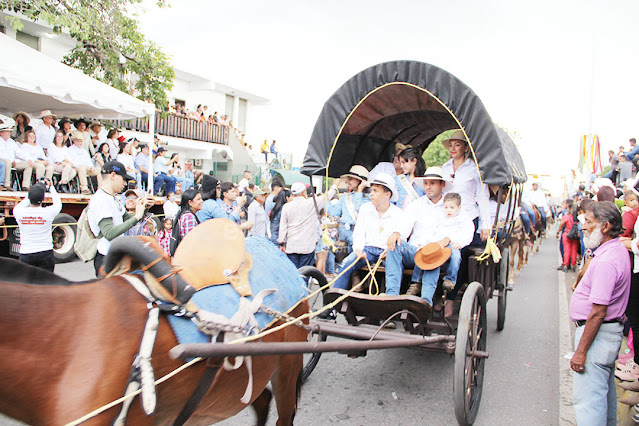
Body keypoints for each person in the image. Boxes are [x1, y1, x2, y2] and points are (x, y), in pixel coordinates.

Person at [569, 201, 629, 425]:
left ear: (605, 227)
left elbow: (597, 312)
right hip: (606, 334)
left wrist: (581, 351)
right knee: (601, 399)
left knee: (589, 404)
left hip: (598, 335)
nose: (583, 227)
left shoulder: (606, 261)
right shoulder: (614, 250)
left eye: (589, 223)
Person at [385, 167, 450, 307]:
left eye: (432, 183)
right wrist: (397, 233)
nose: (428, 187)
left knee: (432, 255)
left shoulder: (450, 206)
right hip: (414, 251)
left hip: (436, 253)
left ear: (442, 185)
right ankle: (391, 297)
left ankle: (425, 303)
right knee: (394, 244)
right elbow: (404, 225)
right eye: (426, 183)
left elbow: (457, 228)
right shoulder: (417, 204)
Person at [333, 173, 409, 291]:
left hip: (387, 253)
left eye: (375, 191)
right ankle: (335, 301)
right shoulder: (365, 208)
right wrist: (358, 249)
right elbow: (358, 232)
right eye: (371, 190)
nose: (371, 194)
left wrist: (389, 252)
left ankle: (391, 300)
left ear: (387, 194)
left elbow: (401, 237)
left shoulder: (398, 214)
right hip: (367, 250)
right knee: (345, 264)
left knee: (394, 271)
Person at [87, 161, 150, 275]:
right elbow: (109, 233)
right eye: (123, 179)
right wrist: (137, 216)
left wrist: (144, 208)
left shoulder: (111, 198)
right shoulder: (101, 199)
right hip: (107, 259)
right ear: (113, 175)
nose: (125, 184)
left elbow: (126, 218)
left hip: (115, 256)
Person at [440, 129, 491, 245]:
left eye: (457, 145)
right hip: (447, 217)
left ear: (466, 148)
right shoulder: (445, 168)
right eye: (451, 145)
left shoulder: (474, 169)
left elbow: (483, 197)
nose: (453, 148)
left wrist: (486, 225)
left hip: (469, 216)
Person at [433, 192, 475, 317]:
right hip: (441, 245)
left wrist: (460, 243)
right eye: (446, 207)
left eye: (451, 208)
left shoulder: (463, 218)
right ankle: (432, 293)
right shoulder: (441, 218)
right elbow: (436, 231)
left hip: (454, 245)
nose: (448, 210)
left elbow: (468, 233)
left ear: (459, 208)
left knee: (456, 258)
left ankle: (450, 281)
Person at [12, 179, 61, 271]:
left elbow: (25, 201)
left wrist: (35, 189)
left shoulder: (18, 211)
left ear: (29, 197)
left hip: (26, 252)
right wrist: (51, 187)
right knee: (46, 283)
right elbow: (58, 204)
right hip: (45, 252)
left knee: (27, 284)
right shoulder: (48, 212)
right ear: (42, 199)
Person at [326, 165, 370, 252]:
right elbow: (334, 212)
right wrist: (326, 199)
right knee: (355, 241)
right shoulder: (345, 197)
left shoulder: (369, 198)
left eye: (350, 179)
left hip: (362, 230)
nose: (347, 181)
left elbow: (359, 209)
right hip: (345, 229)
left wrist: (360, 191)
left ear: (359, 181)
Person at [278, 181, 320, 268]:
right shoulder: (311, 203)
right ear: (304, 191)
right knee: (305, 272)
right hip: (307, 247)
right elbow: (326, 197)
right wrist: (335, 186)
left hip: (292, 246)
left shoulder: (286, 206)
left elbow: (283, 226)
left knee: (293, 272)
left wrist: (281, 242)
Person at [557, 201, 578, 272]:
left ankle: (566, 266)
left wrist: (558, 232)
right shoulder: (577, 218)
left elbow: (561, 224)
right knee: (574, 250)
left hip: (567, 234)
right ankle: (573, 266)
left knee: (567, 250)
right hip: (575, 235)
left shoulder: (566, 217)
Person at [0, 121, 22, 190]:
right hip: (3, 159)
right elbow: (2, 154)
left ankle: (26, 186)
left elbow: (18, 152)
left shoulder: (11, 141)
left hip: (11, 161)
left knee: (28, 165)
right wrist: (12, 160)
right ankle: (5, 184)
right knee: (6, 162)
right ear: (1, 133)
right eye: (7, 132)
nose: (9, 133)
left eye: (9, 132)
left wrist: (28, 160)